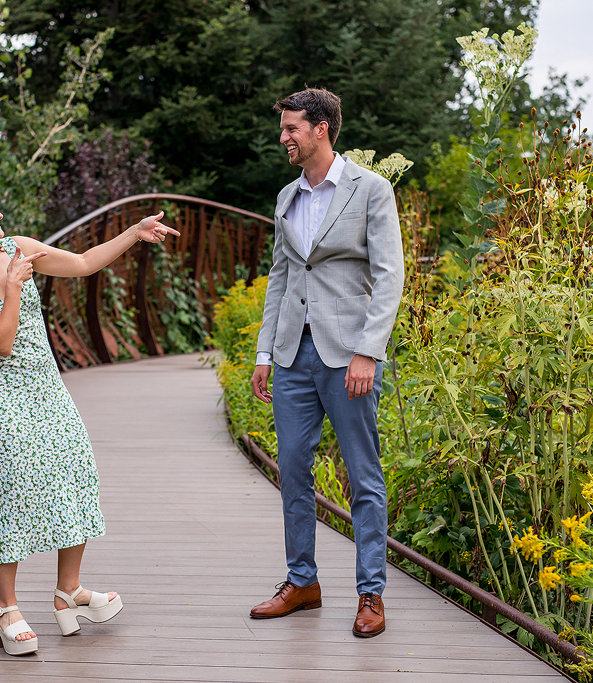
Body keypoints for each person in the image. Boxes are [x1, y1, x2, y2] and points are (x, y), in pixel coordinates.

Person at [0, 181, 178, 655]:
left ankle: (70, 592)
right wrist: (10, 287)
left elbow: (84, 264)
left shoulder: (20, 249)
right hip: (4, 402)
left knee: (76, 476)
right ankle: (7, 609)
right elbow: (0, 342)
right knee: (13, 496)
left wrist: (134, 231)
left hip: (49, 392)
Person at [248, 88, 404, 638]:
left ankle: (371, 594)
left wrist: (368, 350)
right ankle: (302, 582)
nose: (284, 137)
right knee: (292, 467)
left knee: (363, 475)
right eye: (284, 128)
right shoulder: (287, 196)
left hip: (349, 356)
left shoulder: (371, 190)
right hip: (293, 354)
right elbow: (282, 278)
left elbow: (389, 277)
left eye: (292, 128)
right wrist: (265, 352)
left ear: (321, 129)